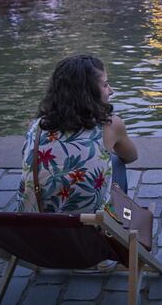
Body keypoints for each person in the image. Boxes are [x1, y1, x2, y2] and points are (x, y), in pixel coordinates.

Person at [17, 55, 138, 214]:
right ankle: (123, 217)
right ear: (89, 92)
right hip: (89, 229)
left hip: (35, 226)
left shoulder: (37, 126)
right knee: (116, 161)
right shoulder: (110, 125)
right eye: (105, 84)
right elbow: (131, 156)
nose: (111, 91)